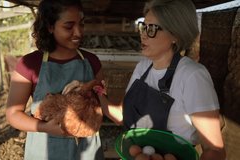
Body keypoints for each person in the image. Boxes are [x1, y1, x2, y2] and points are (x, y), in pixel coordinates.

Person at [96, 0, 226, 159]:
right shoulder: (143, 67)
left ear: (175, 35)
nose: (143, 34)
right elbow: (121, 116)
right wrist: (96, 92)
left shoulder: (192, 76)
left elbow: (215, 150)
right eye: (143, 26)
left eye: (151, 29)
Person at [5, 0, 104, 159]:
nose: (78, 32)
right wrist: (45, 127)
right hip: (45, 150)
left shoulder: (92, 61)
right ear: (50, 27)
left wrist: (91, 86)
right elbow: (13, 114)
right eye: (69, 26)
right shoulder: (29, 64)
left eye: (81, 24)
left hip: (87, 149)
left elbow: (103, 100)